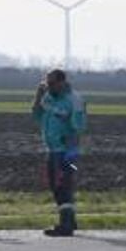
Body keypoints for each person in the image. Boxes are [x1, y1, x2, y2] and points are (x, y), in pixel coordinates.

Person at [32, 69, 87, 238]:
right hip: (52, 148)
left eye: (52, 84)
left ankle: (66, 224)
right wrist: (38, 96)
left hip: (67, 150)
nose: (49, 87)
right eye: (47, 83)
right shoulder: (48, 97)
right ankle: (69, 220)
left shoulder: (74, 100)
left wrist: (69, 147)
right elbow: (37, 115)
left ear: (62, 82)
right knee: (56, 186)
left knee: (64, 184)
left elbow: (79, 126)